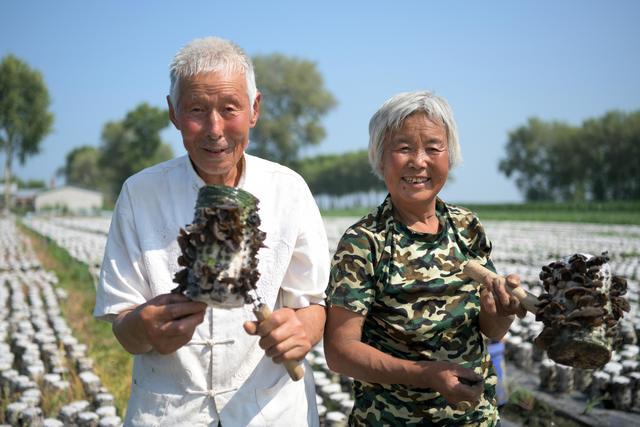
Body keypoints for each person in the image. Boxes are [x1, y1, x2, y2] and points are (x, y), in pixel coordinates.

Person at [94, 37, 329, 426]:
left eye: (229, 108)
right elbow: (123, 325)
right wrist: (145, 328)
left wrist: (302, 329)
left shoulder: (288, 189)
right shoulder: (140, 194)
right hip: (169, 412)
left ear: (254, 109)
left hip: (270, 411)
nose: (214, 129)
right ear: (172, 112)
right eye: (197, 110)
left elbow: (315, 303)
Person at [324, 91, 525, 426]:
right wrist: (427, 375)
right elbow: (340, 351)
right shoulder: (364, 242)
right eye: (404, 148)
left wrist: (502, 314)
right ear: (380, 158)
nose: (419, 161)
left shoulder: (466, 227)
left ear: (450, 156)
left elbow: (489, 329)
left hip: (475, 418)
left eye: (433, 147)